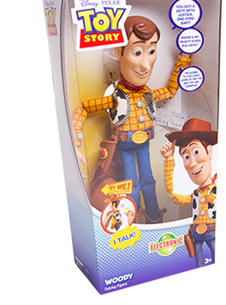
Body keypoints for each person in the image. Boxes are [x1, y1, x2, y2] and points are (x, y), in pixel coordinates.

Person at [72, 15, 190, 223]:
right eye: (137, 52)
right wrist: (75, 140)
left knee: (148, 180)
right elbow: (84, 107)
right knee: (131, 184)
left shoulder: (148, 94)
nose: (145, 65)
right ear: (119, 53)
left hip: (144, 142)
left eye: (151, 51)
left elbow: (171, 91)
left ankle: (154, 218)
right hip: (124, 145)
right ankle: (131, 223)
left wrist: (183, 61)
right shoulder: (115, 97)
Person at [160, 118, 218, 267]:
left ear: (209, 151)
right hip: (196, 235)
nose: (192, 164)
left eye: (196, 152)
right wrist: (169, 159)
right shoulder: (195, 194)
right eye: (186, 157)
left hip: (214, 233)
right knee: (198, 265)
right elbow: (174, 195)